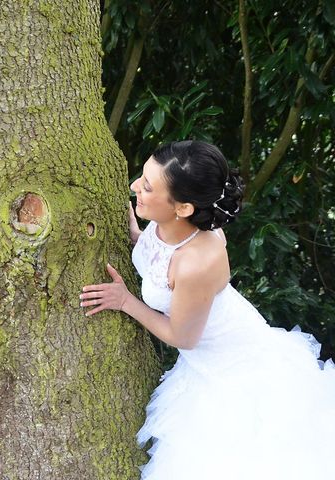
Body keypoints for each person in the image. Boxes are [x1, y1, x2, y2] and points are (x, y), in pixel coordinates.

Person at [79, 140, 335, 479]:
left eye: (147, 186)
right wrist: (135, 235)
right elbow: (158, 257)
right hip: (213, 354)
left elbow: (182, 336)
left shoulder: (197, 262)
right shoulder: (170, 223)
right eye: (142, 177)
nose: (133, 187)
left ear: (183, 208)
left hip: (233, 372)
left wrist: (125, 301)